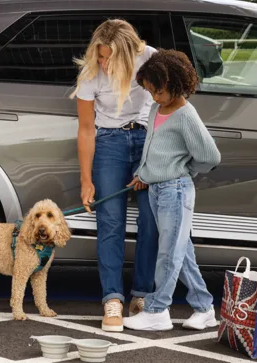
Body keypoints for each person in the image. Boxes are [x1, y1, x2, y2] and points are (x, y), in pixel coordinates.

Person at [122, 50, 221, 332]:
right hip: (156, 190)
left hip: (175, 191)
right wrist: (144, 174)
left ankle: (157, 310)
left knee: (168, 253)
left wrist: (183, 171)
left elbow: (210, 157)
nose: (154, 97)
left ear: (176, 83)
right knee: (182, 253)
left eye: (159, 91)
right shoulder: (157, 109)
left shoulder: (186, 115)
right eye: (151, 91)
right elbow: (154, 148)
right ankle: (204, 308)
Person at [71, 19, 159, 332]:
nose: (104, 62)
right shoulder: (92, 73)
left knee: (151, 220)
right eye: (101, 56)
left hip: (149, 141)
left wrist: (152, 160)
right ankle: (112, 298)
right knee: (110, 222)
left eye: (110, 57)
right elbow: (85, 129)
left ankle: (142, 295)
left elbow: (165, 111)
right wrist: (86, 179)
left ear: (128, 54)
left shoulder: (149, 58)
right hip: (109, 143)